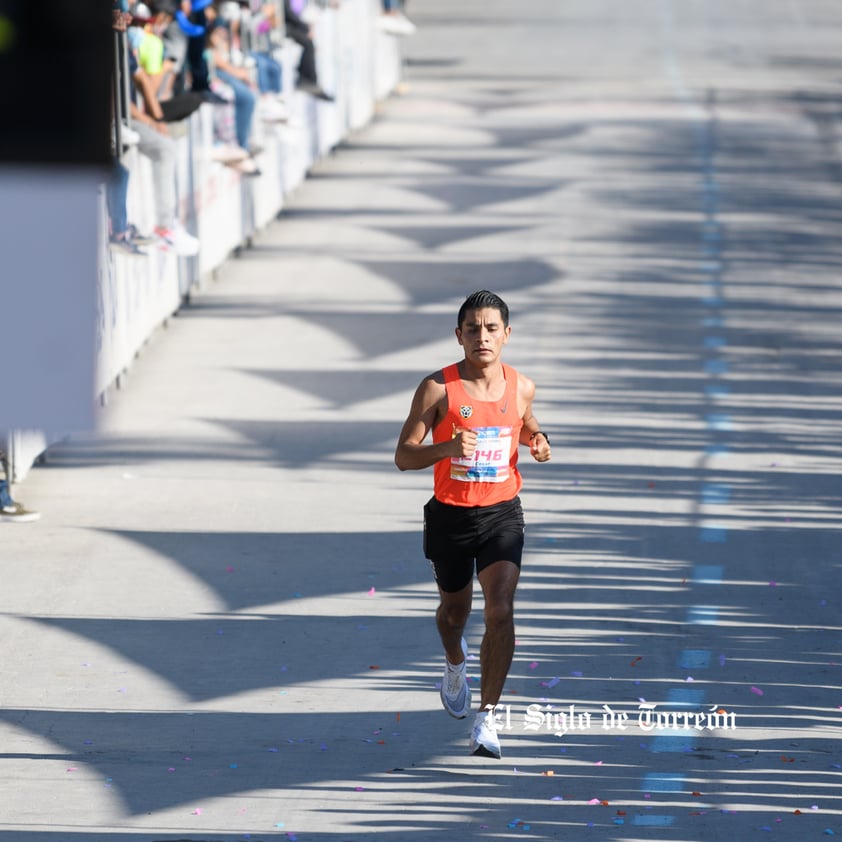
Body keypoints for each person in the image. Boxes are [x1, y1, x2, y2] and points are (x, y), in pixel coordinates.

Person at [394, 290, 552, 759]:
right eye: (472, 328)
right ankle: (454, 661)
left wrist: (539, 438)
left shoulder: (521, 385)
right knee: (453, 615)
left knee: (499, 608)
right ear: (458, 335)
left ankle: (487, 716)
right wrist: (446, 449)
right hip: (451, 515)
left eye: (490, 328)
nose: (481, 336)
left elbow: (523, 421)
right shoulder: (438, 389)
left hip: (502, 511)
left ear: (506, 334)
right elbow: (404, 456)